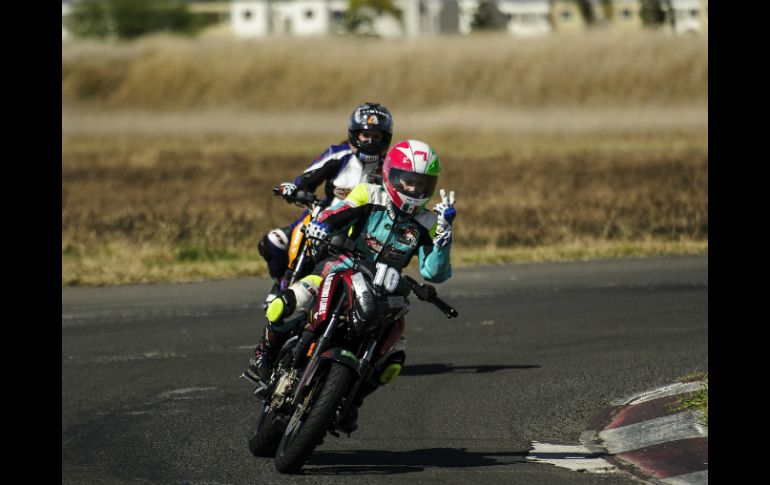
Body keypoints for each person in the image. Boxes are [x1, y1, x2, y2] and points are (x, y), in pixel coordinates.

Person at [245, 139, 457, 434]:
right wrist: (322, 226)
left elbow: (433, 273)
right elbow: (336, 214)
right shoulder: (368, 193)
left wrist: (444, 239)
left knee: (393, 361)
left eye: (421, 184)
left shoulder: (429, 222)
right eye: (407, 181)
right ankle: (263, 355)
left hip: (386, 292)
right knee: (285, 305)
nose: (413, 189)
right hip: (339, 267)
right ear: (390, 175)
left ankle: (352, 400)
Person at [258, 102, 394, 304]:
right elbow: (307, 179)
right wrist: (295, 189)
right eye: (366, 135)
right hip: (321, 217)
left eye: (376, 136)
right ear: (354, 134)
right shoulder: (338, 153)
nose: (371, 141)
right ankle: (282, 282)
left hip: (360, 231)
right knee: (273, 242)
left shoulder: (391, 166)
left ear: (385, 138)